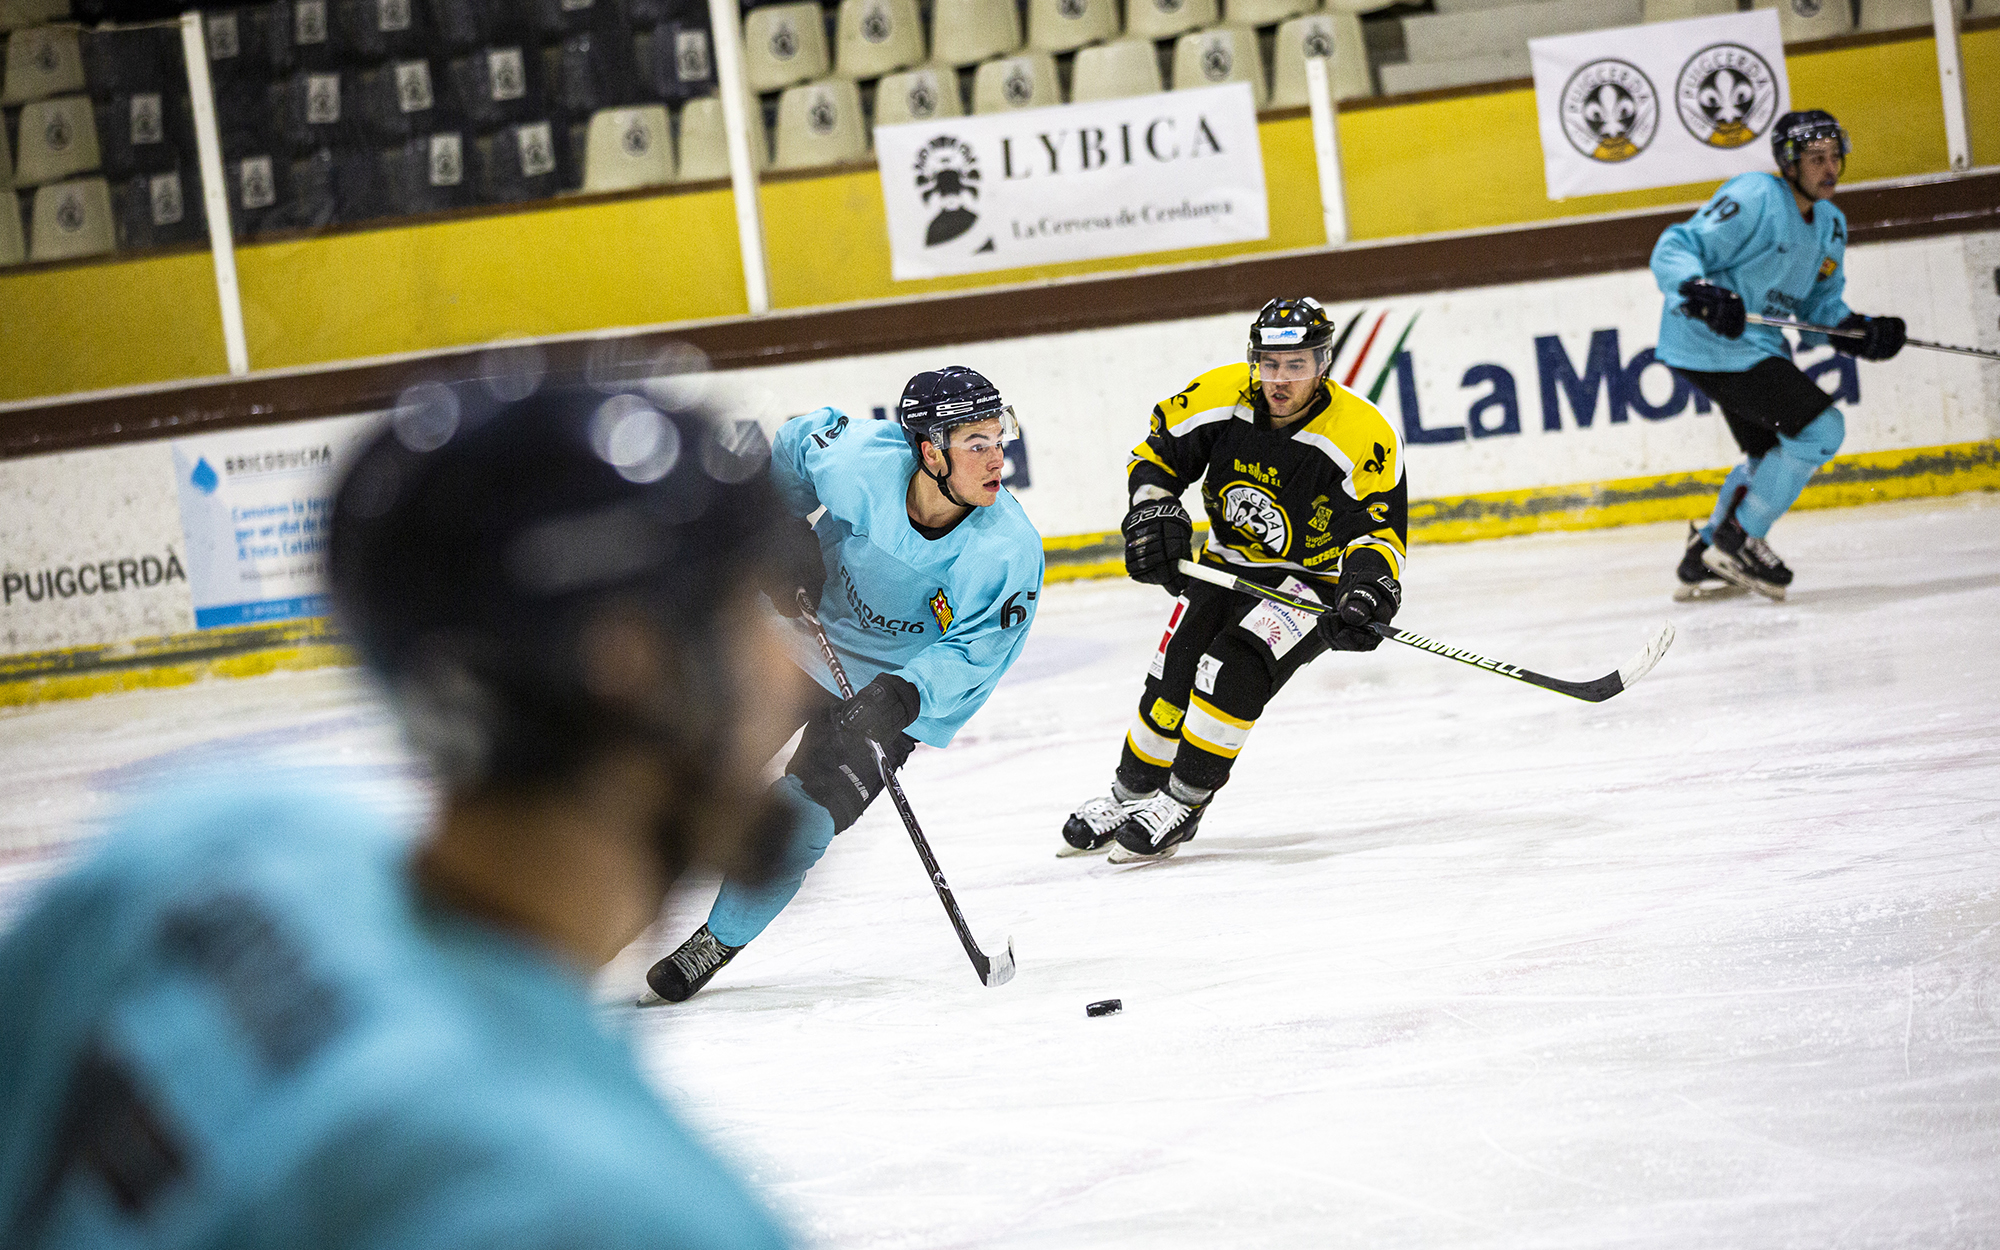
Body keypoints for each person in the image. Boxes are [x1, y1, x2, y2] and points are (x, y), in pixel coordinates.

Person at [0, 383, 806, 1249]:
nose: (786, 672)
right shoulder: (629, 1209)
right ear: (629, 664)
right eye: (746, 617)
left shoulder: (217, 841)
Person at [644, 365, 1044, 1004]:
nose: (998, 458)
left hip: (885, 696)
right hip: (793, 644)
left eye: (1000, 438)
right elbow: (796, 446)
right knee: (683, 768)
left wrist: (907, 693)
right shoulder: (862, 460)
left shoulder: (1007, 550)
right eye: (977, 443)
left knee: (804, 825)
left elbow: (980, 648)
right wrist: (783, 528)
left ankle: (715, 942)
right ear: (928, 450)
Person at [1060, 297, 1407, 864]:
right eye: (1270, 362)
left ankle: (1184, 801)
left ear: (1323, 363)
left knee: (1232, 668)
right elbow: (1157, 460)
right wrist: (1152, 511)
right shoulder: (1221, 396)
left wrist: (1367, 590)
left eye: (1296, 364)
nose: (1279, 378)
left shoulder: (1361, 434)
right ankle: (1130, 795)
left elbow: (1378, 532)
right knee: (1172, 679)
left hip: (1310, 581)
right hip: (1225, 564)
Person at [1653, 108, 1905, 602]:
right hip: (1708, 344)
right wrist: (1698, 290)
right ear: (1789, 164)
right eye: (1816, 159)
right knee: (1821, 429)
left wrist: (1856, 332)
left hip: (1755, 347)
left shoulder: (1831, 225)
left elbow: (1818, 308)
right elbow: (1675, 245)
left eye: (1834, 157)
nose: (1829, 169)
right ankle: (1738, 540)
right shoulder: (1755, 197)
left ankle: (1704, 553)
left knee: (1768, 455)